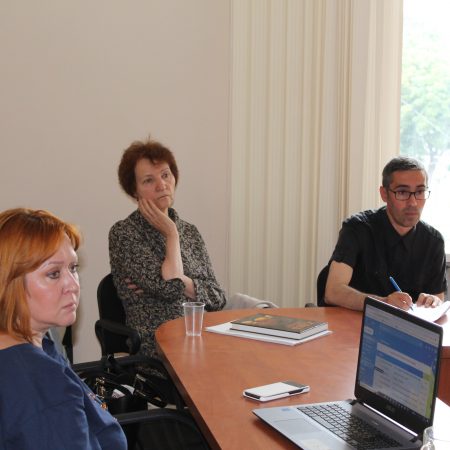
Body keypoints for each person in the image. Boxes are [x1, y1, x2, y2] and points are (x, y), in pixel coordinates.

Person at [0, 208, 127, 450]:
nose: (73, 285)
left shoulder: (37, 345)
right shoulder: (43, 386)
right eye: (53, 274)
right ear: (7, 282)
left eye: (73, 268)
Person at [109, 137, 226, 363]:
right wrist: (171, 234)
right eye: (148, 180)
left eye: (165, 175)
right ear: (134, 191)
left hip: (202, 337)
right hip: (157, 346)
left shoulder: (190, 231)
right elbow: (170, 289)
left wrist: (180, 282)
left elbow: (217, 297)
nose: (161, 185)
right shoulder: (124, 233)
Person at [324, 156, 447, 311]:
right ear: (384, 194)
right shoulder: (357, 228)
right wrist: (384, 302)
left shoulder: (434, 241)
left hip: (407, 324)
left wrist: (432, 301)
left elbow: (438, 297)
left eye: (420, 192)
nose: (413, 202)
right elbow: (333, 292)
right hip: (355, 320)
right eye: (402, 192)